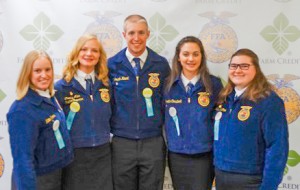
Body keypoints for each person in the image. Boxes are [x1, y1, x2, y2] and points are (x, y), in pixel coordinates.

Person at [108, 14, 171, 190]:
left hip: (152, 141)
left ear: (148, 34)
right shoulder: (112, 65)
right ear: (124, 35)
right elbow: (108, 103)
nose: (136, 38)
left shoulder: (160, 64)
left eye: (141, 33)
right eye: (131, 33)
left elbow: (166, 102)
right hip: (122, 142)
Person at [213, 48, 289, 190]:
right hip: (222, 176)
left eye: (244, 66)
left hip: (250, 180)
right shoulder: (224, 98)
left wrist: (268, 186)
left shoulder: (269, 101)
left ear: (256, 70)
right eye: (233, 66)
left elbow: (277, 147)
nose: (238, 70)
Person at [7, 50, 73, 190]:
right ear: (28, 73)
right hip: (37, 181)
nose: (44, 75)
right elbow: (23, 162)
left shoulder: (49, 96)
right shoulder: (22, 110)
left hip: (55, 175)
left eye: (47, 69)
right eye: (37, 70)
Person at [164, 36, 223, 190]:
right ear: (178, 57)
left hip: (204, 153)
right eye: (186, 54)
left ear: (202, 57)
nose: (191, 59)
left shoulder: (214, 84)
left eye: (196, 54)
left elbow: (221, 120)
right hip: (177, 154)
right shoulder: (167, 86)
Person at [54, 34, 113, 190]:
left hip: (103, 153)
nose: (89, 54)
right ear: (76, 53)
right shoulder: (62, 87)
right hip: (74, 155)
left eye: (94, 50)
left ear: (100, 55)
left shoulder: (107, 85)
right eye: (84, 49)